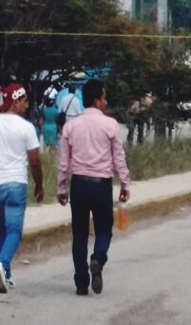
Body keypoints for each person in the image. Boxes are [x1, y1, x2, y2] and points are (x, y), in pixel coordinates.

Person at [57, 79, 131, 296]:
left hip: (78, 184)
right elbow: (119, 157)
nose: (106, 102)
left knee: (79, 234)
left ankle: (81, 282)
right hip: (101, 185)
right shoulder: (110, 125)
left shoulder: (70, 126)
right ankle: (98, 258)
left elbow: (64, 161)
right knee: (103, 229)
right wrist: (124, 183)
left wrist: (61, 188)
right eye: (104, 97)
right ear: (97, 100)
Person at [0, 83, 44, 293]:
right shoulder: (26, 127)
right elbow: (35, 162)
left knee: (0, 231)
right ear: (15, 101)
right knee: (14, 231)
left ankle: (7, 276)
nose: (27, 105)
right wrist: (39, 185)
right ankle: (2, 264)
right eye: (24, 101)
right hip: (16, 185)